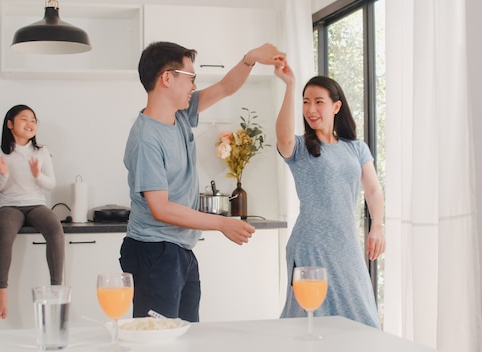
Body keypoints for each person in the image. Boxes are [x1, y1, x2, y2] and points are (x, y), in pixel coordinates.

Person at [120, 41, 286, 322]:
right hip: (153, 251)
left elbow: (225, 88)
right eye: (191, 77)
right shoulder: (146, 137)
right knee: (158, 341)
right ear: (167, 78)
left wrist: (250, 59)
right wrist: (222, 223)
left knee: (187, 336)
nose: (194, 85)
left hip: (179, 250)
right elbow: (161, 208)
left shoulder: (181, 115)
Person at [274, 66, 386, 328]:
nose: (311, 109)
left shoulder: (356, 148)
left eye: (318, 102)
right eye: (306, 102)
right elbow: (282, 137)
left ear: (336, 107)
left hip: (345, 245)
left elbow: (373, 190)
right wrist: (290, 86)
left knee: (362, 316)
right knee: (311, 322)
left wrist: (378, 226)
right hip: (310, 246)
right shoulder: (300, 147)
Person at [0, 104, 65, 320]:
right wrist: (3, 174)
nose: (30, 123)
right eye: (24, 119)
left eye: (33, 120)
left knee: (54, 228)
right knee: (4, 231)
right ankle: (1, 293)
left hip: (35, 204)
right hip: (9, 205)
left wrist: (37, 175)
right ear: (10, 124)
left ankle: (56, 291)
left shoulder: (41, 151)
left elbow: (50, 184)